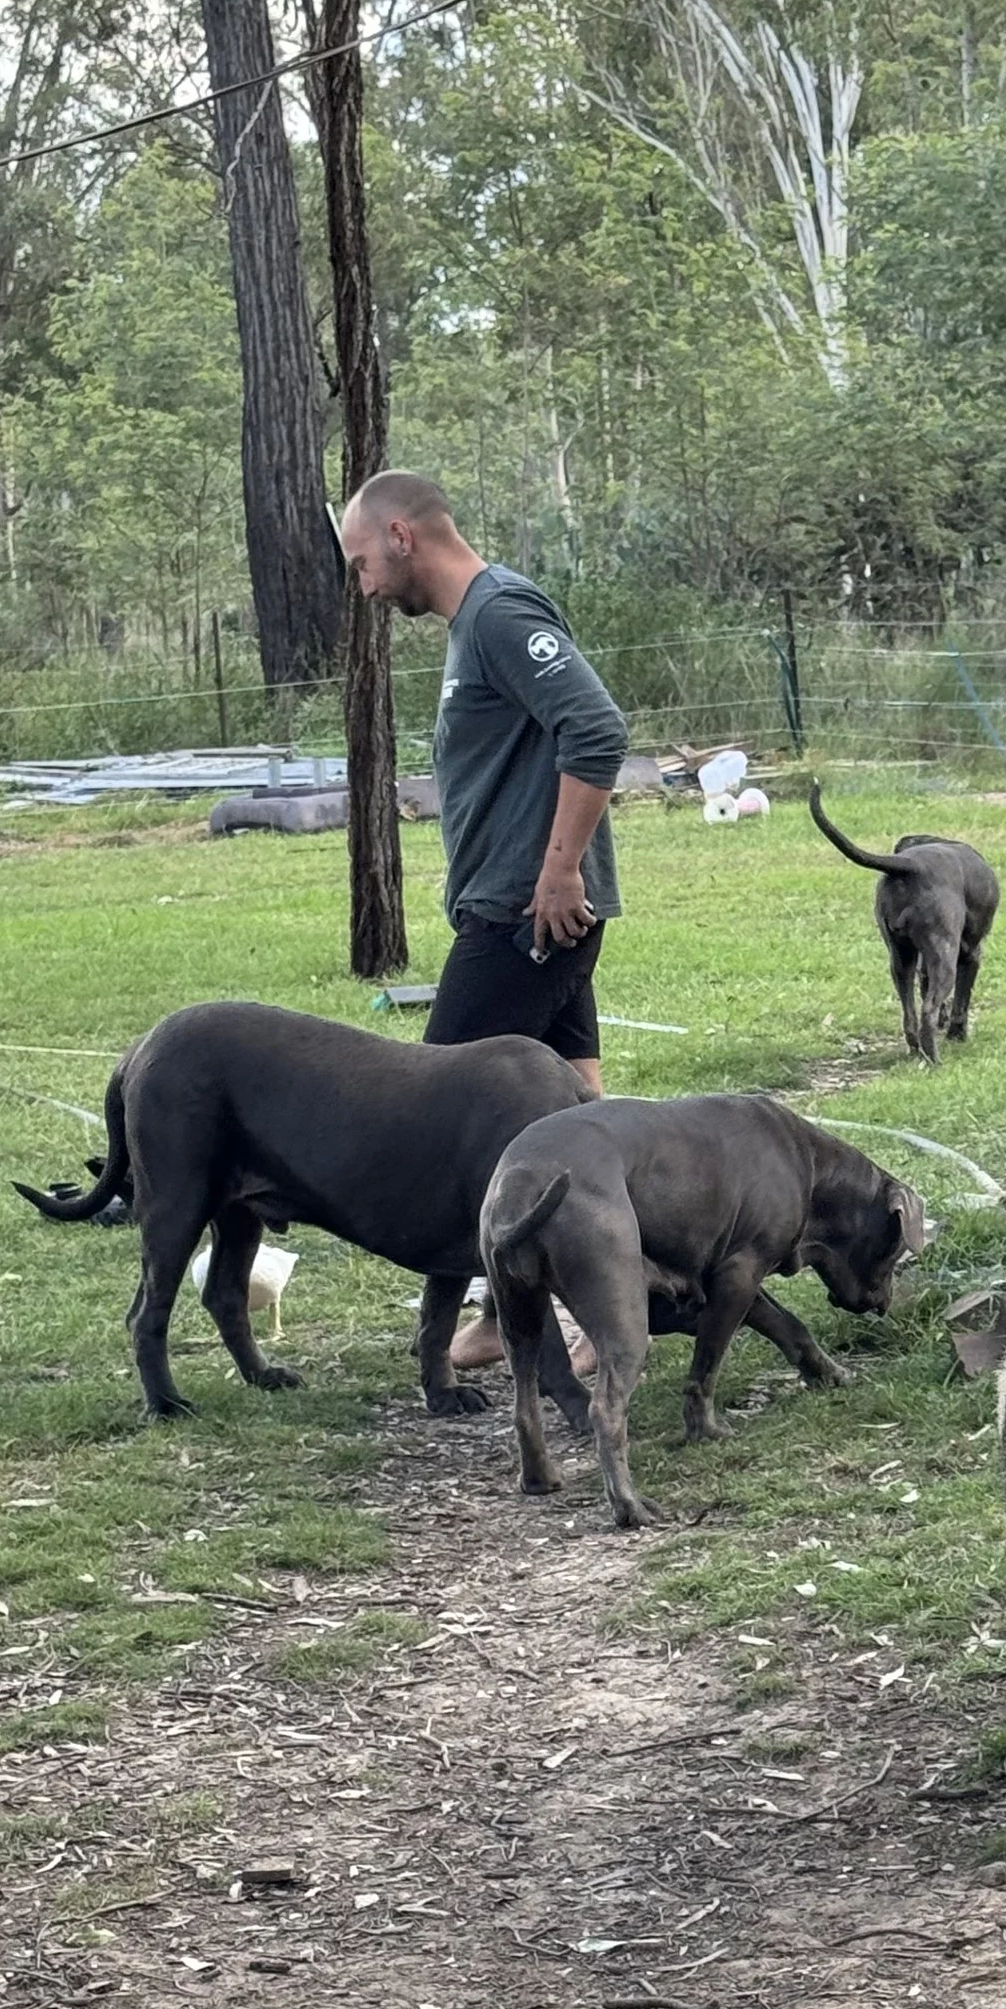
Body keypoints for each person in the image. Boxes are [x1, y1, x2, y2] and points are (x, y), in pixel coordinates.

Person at [337, 469, 628, 1363]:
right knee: (576, 1115)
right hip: (525, 910)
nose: (364, 588)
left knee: (444, 1115)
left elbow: (597, 728)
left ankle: (515, 1313)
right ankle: (606, 1301)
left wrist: (557, 870)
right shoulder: (477, 626)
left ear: (400, 534)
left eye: (360, 565)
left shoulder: (499, 613)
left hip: (526, 915)